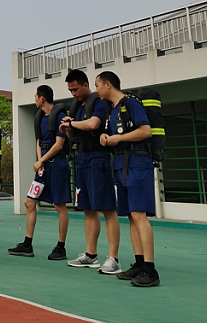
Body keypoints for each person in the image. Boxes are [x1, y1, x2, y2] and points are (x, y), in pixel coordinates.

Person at [96, 71, 160, 287]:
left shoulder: (131, 103)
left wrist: (118, 138)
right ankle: (139, 264)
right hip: (120, 163)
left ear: (108, 84)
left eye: (97, 85)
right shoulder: (111, 110)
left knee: (139, 214)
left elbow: (145, 131)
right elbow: (114, 135)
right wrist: (106, 137)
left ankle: (150, 269)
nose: (96, 91)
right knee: (131, 216)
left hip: (137, 162)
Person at [60, 69, 121, 274]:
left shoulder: (99, 103)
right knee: (87, 209)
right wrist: (68, 129)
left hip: (98, 159)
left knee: (107, 208)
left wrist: (72, 123)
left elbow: (94, 124)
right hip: (81, 159)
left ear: (86, 85)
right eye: (70, 91)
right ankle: (90, 254)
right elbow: (74, 136)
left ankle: (113, 258)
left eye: (76, 89)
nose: (73, 94)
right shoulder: (77, 107)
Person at [8, 85, 71, 260]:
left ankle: (61, 247)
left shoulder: (59, 116)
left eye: (36, 96)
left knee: (59, 206)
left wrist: (42, 160)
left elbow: (59, 145)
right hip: (43, 166)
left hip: (57, 165)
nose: (35, 99)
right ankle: (27, 244)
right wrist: (40, 161)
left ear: (42, 98)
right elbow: (38, 141)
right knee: (29, 202)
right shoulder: (40, 117)